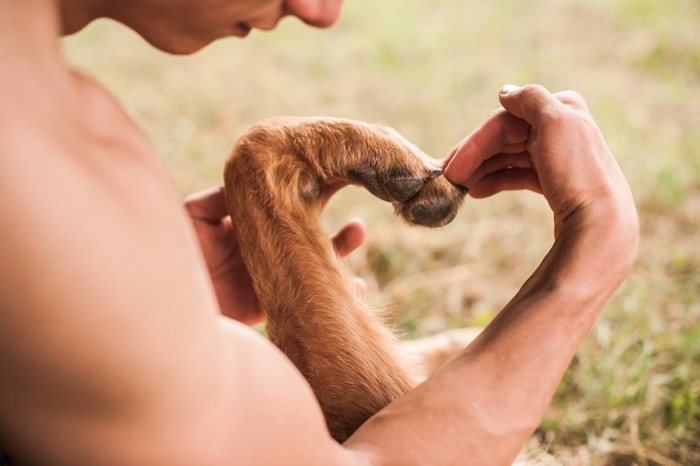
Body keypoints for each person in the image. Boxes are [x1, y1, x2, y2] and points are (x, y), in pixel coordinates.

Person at [0, 0, 638, 465]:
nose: (320, 11)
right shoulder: (27, 186)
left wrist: (167, 320)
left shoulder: (43, 114)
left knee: (263, 161)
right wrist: (590, 257)